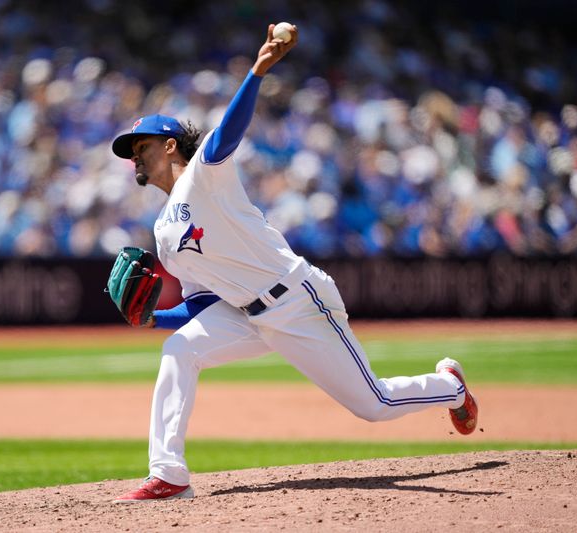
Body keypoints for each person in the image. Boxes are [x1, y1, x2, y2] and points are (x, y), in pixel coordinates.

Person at [109, 23, 479, 503]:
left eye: (141, 148)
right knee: (180, 350)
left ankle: (449, 387)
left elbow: (226, 134)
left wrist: (258, 72)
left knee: (374, 404)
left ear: (171, 145)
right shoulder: (163, 234)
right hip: (245, 314)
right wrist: (153, 319)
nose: (134, 158)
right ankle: (169, 475)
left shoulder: (203, 176)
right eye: (132, 153)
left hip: (298, 301)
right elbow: (202, 307)